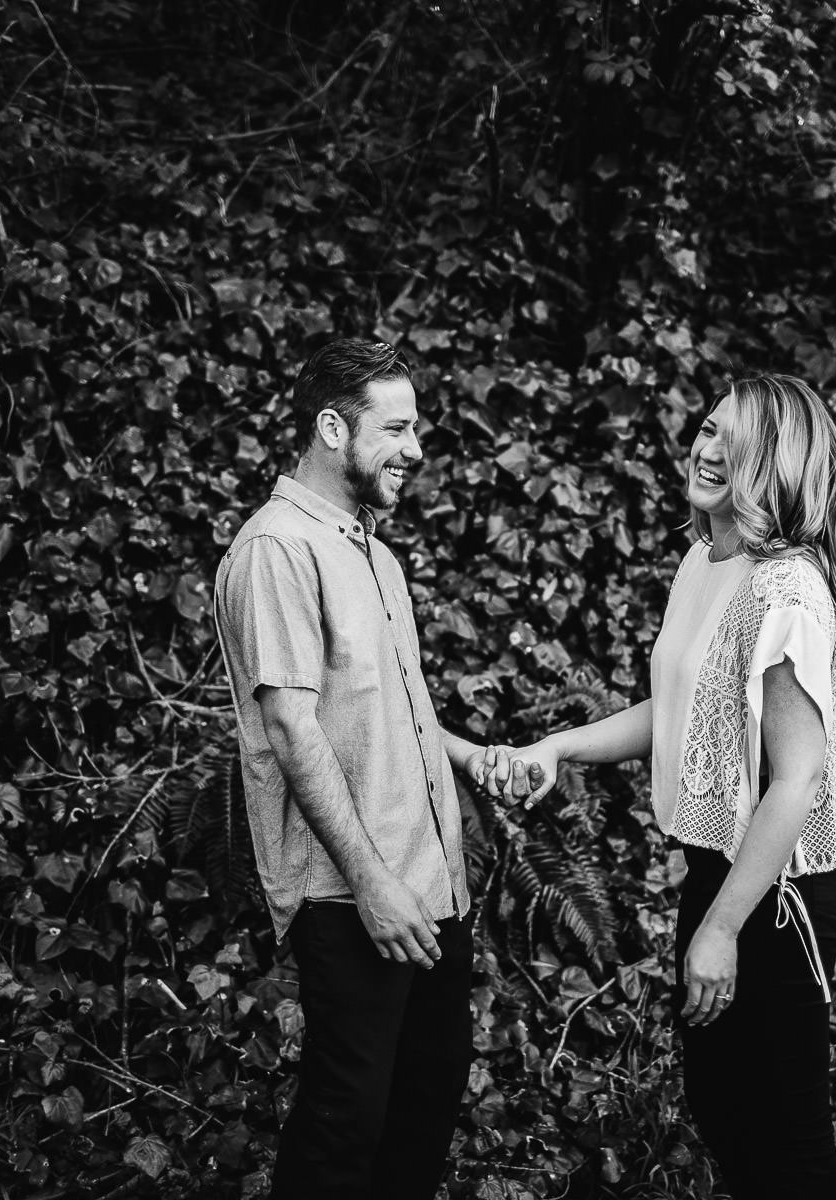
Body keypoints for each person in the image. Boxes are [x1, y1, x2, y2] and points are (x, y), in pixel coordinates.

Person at [481, 375, 836, 1199]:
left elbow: (797, 779)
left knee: (786, 1133)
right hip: (723, 867)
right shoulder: (706, 561)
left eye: (732, 439)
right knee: (721, 1101)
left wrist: (722, 929)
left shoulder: (786, 589)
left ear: (774, 462)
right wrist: (559, 747)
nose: (706, 448)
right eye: (705, 428)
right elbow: (683, 710)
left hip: (786, 885)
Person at [212, 337, 488, 1200]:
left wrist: (476, 758)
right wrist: (372, 885)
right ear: (332, 429)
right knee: (347, 1123)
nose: (416, 449)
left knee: (424, 1102)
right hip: (352, 895)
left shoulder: (373, 551)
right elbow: (292, 730)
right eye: (395, 429)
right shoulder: (277, 550)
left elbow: (392, 712)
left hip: (431, 888)